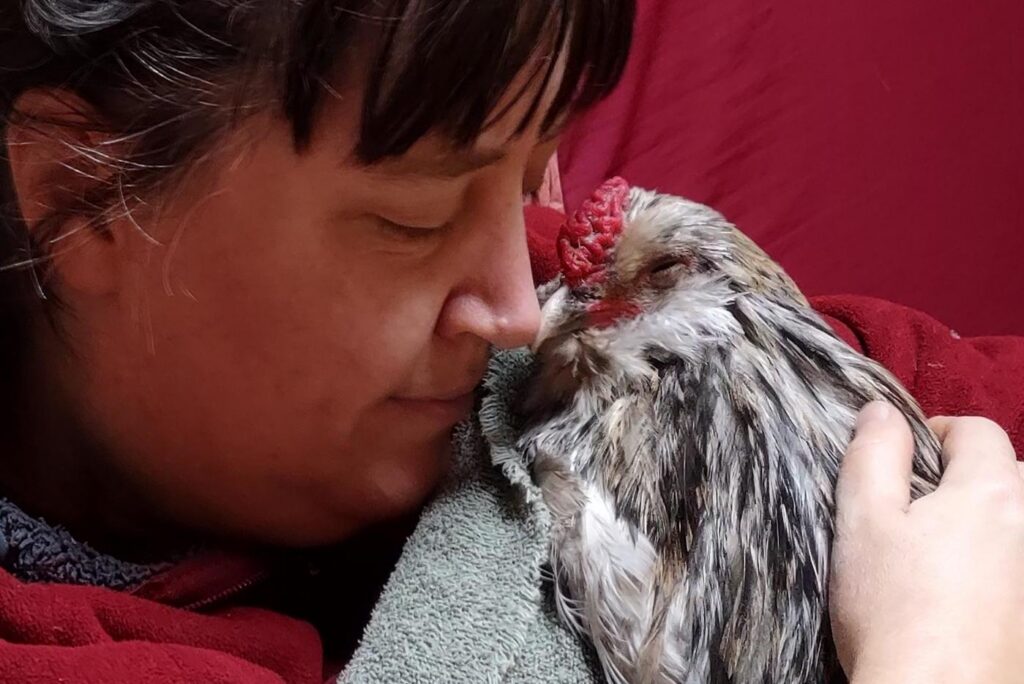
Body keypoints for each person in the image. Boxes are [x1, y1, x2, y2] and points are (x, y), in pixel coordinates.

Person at [0, 1, 1021, 682]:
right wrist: (937, 661)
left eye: (535, 173)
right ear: (86, 197)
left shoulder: (583, 316)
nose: (519, 306)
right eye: (414, 220)